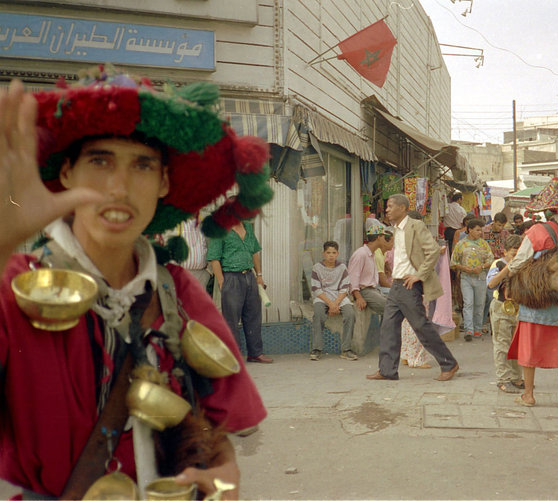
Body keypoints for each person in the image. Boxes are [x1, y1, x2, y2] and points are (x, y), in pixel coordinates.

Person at [0, 72, 273, 499]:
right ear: (67, 172)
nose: (119, 187)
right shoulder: (14, 283)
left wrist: (222, 473)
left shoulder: (177, 291)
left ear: (164, 183)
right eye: (100, 161)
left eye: (142, 165)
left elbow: (218, 427)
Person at [490, 178, 558, 408]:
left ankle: (529, 395)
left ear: (546, 212)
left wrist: (501, 276)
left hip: (534, 298)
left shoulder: (535, 231)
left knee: (529, 345)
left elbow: (519, 262)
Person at [367, 194, 459, 381]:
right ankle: (387, 370)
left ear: (402, 208)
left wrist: (419, 275)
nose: (387, 210)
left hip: (409, 285)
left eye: (390, 206)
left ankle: (449, 363)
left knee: (421, 327)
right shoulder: (394, 230)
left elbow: (433, 250)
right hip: (397, 285)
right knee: (388, 327)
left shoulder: (415, 226)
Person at [209, 220, 273, 364]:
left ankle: (255, 353)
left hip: (249, 276)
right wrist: (221, 282)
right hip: (230, 276)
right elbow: (214, 259)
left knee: (253, 315)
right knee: (231, 318)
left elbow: (254, 252)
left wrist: (259, 275)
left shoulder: (248, 227)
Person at [486, 234, 524, 393]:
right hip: (501, 307)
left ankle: (516, 378)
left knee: (516, 345)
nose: (516, 257)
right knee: (502, 345)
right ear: (505, 252)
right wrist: (507, 269)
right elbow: (491, 284)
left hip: (518, 308)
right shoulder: (498, 264)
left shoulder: (523, 264)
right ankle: (503, 379)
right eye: (513, 254)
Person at [310, 241, 356, 361]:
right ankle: (317, 348)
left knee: (350, 314)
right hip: (322, 297)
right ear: (323, 253)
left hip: (339, 296)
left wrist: (336, 303)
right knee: (318, 313)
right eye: (328, 252)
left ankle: (346, 349)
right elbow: (316, 289)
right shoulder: (317, 268)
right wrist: (330, 304)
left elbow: (345, 288)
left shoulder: (342, 268)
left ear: (338, 253)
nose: (331, 255)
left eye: (334, 253)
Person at [450, 218, 494, 341]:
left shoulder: (484, 244)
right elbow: (454, 262)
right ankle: (469, 329)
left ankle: (478, 329)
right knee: (468, 303)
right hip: (466, 277)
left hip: (480, 277)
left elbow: (490, 260)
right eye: (477, 230)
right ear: (470, 230)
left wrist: (482, 267)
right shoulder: (461, 244)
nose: (480, 232)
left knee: (480, 303)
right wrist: (464, 268)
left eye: (481, 230)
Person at [348, 223, 389, 315]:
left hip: (373, 290)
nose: (385, 241)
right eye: (384, 237)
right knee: (389, 308)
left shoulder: (371, 254)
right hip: (364, 291)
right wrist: (358, 297)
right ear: (378, 237)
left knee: (395, 303)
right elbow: (353, 277)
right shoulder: (361, 254)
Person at [443, 192, 467, 258]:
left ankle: (449, 264)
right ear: (459, 199)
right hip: (458, 231)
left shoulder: (447, 206)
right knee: (457, 248)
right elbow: (464, 221)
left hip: (448, 231)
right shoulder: (461, 210)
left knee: (448, 248)